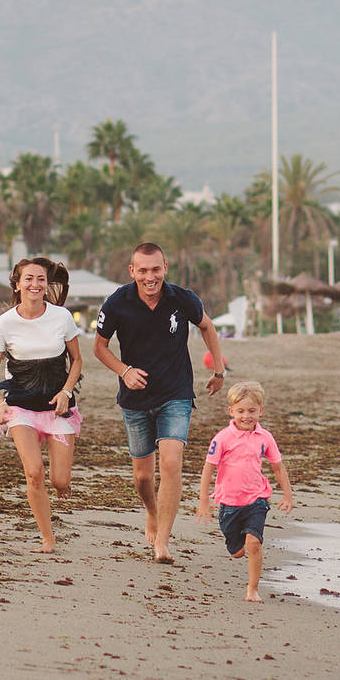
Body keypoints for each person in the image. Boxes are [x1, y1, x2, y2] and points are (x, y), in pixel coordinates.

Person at [92, 241, 227, 563]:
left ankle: (163, 542)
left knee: (170, 463)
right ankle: (151, 511)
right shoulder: (116, 303)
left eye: (156, 269)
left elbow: (207, 326)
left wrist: (219, 369)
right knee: (142, 477)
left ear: (165, 268)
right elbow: (99, 347)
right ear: (132, 271)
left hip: (175, 394)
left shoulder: (183, 299)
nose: (150, 277)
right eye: (143, 270)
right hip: (134, 399)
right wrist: (124, 371)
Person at [0, 257, 82, 554]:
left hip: (57, 406)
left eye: (40, 279)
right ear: (17, 284)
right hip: (21, 406)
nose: (35, 284)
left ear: (46, 283)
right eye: (28, 279)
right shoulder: (5, 323)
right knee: (34, 473)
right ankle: (48, 539)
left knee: (60, 480)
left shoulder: (62, 316)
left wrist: (66, 391)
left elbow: (76, 360)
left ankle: (62, 484)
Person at [196, 380, 295, 602]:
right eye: (240, 411)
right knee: (236, 551)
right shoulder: (222, 438)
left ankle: (252, 588)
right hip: (229, 504)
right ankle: (237, 546)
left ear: (261, 410)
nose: (246, 416)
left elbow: (277, 467)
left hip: (257, 499)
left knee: (254, 542)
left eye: (252, 410)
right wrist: (204, 501)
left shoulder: (265, 437)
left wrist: (287, 495)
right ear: (231, 411)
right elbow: (208, 468)